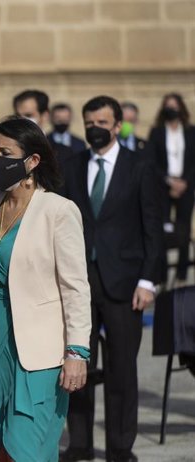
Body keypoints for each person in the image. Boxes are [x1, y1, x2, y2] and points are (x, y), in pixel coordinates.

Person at [0, 116, 90, 462]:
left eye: (5, 152)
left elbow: (75, 288)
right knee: (3, 450)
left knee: (23, 450)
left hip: (40, 352)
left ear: (32, 161)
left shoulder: (58, 210)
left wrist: (77, 352)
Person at [61, 96, 162, 462]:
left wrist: (148, 280)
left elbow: (153, 227)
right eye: (89, 122)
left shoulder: (141, 167)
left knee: (121, 370)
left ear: (118, 125)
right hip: (79, 285)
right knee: (76, 367)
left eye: (102, 122)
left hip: (125, 284)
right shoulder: (70, 167)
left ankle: (120, 447)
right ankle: (80, 443)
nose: (95, 128)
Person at [0, 89, 76, 198]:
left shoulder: (64, 153)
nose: (22, 119)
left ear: (44, 116)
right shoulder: (0, 152)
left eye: (28, 115)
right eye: (18, 115)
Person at [148, 93, 195, 285]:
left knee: (184, 228)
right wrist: (169, 181)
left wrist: (184, 182)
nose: (171, 109)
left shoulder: (191, 131)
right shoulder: (157, 132)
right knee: (164, 228)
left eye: (174, 106)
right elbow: (153, 161)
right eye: (168, 106)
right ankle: (164, 273)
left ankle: (182, 274)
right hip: (164, 186)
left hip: (186, 186)